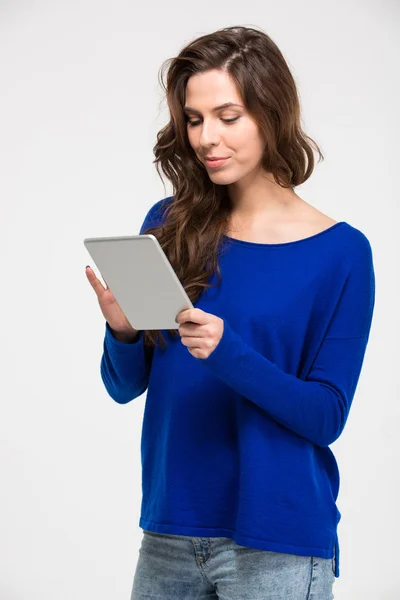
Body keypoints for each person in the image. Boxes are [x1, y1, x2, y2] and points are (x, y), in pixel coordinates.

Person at [86, 25, 375, 600]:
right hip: (170, 529)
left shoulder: (341, 252)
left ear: (271, 114)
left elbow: (326, 416)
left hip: (278, 540)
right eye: (194, 119)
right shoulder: (170, 222)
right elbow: (125, 388)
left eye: (228, 116)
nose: (206, 138)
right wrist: (122, 329)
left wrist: (228, 352)